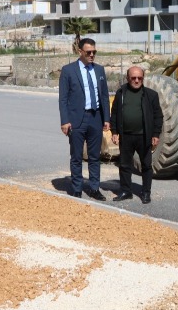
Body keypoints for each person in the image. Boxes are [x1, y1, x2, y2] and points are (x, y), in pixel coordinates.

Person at [58, 38, 110, 200]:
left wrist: (106, 118)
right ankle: (77, 188)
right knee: (77, 156)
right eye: (88, 52)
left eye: (94, 52)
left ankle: (94, 188)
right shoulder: (68, 71)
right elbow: (63, 99)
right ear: (80, 52)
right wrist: (64, 121)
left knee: (95, 156)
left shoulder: (99, 70)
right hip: (76, 119)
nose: (92, 55)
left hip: (95, 117)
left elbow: (104, 96)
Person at [109, 66, 163, 204]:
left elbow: (158, 116)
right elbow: (114, 113)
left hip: (144, 136)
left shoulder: (151, 95)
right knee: (125, 165)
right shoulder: (121, 93)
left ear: (143, 78)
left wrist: (156, 134)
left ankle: (146, 193)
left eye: (139, 78)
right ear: (128, 78)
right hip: (126, 136)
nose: (137, 80)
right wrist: (114, 132)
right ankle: (126, 191)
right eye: (133, 78)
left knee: (146, 165)